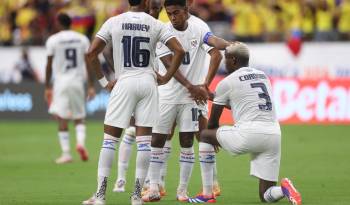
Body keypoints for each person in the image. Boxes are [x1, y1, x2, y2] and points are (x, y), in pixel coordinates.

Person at [82, 0, 185, 204]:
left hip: (125, 80)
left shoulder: (114, 21)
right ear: (146, 2)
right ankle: (137, 196)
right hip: (148, 82)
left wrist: (103, 82)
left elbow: (91, 53)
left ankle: (100, 195)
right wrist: (166, 77)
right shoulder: (156, 24)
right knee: (144, 143)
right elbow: (179, 51)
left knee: (110, 141)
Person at [188, 43, 302, 205]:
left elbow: (213, 123)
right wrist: (212, 96)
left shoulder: (227, 82)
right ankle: (284, 189)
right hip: (273, 135)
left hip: (249, 134)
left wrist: (214, 140)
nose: (224, 63)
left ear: (233, 60)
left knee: (205, 135)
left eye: (226, 59)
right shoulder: (262, 76)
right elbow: (242, 102)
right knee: (266, 195)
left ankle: (207, 194)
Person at [142, 0, 223, 202]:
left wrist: (204, 85)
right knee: (157, 140)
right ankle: (153, 187)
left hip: (191, 98)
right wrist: (192, 87)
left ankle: (182, 190)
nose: (172, 17)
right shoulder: (162, 30)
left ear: (186, 9)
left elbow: (216, 54)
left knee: (188, 141)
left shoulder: (199, 27)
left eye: (176, 12)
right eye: (169, 13)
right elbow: (169, 64)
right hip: (167, 95)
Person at [109, 0, 164, 193]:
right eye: (152, 8)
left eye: (157, 9)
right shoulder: (148, 27)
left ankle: (151, 181)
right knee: (132, 131)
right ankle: (122, 179)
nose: (154, 12)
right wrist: (118, 72)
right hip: (140, 84)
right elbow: (108, 49)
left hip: (154, 88)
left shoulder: (159, 29)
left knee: (154, 138)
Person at [44, 13, 95, 164]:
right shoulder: (82, 39)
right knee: (79, 117)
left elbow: (48, 64)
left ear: (59, 23)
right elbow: (88, 62)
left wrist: (47, 86)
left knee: (62, 117)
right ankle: (80, 143)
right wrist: (91, 85)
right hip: (77, 81)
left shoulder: (53, 40)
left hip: (61, 82)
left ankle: (66, 153)